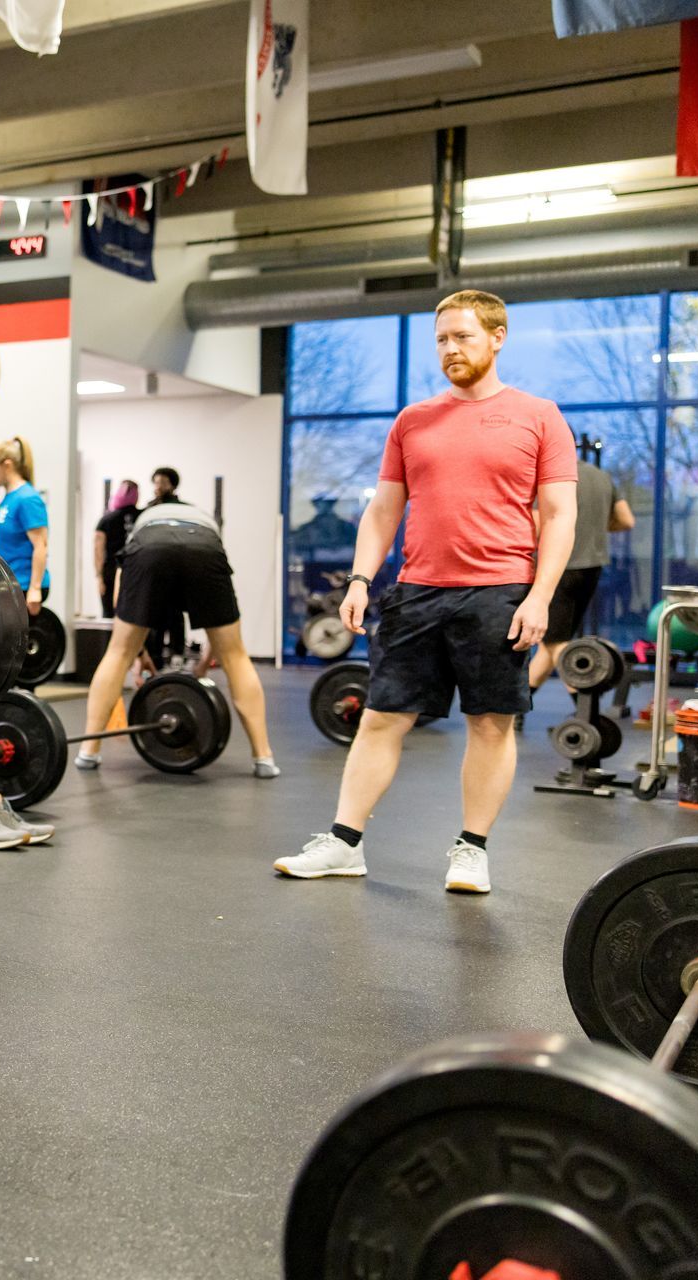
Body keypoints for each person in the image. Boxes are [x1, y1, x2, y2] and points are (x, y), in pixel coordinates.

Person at [275, 290, 577, 894]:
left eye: (462, 336)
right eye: (441, 339)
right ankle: (343, 843)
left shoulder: (538, 415)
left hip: (500, 591)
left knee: (490, 723)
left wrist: (541, 594)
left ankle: (472, 850)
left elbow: (560, 513)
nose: (450, 349)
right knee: (381, 717)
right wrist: (361, 578)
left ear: (496, 337)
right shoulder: (413, 420)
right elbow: (384, 510)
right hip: (417, 591)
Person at [75, 494, 279, 777]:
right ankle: (263, 757)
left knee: (117, 652)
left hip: (148, 549)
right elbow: (221, 635)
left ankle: (89, 752)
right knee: (235, 656)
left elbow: (122, 599)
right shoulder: (203, 522)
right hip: (204, 549)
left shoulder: (144, 525)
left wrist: (136, 650)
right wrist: (205, 663)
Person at [525, 450, 633, 702]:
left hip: (559, 568)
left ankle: (584, 708)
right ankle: (519, 710)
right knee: (552, 642)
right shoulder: (601, 476)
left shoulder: (550, 476)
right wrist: (593, 527)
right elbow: (625, 521)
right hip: (592, 569)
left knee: (556, 645)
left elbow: (537, 524)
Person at [0, 437, 49, 618]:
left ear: (7, 465)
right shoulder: (10, 498)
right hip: (12, 584)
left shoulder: (27, 498)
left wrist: (35, 589)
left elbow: (41, 545)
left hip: (27, 587)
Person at [141, 467, 188, 667]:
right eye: (156, 482)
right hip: (155, 568)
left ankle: (177, 652)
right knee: (155, 614)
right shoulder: (149, 509)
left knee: (175, 613)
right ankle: (156, 656)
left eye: (163, 482)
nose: (158, 486)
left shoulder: (181, 508)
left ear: (172, 485)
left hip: (176, 568)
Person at [93, 479, 140, 618]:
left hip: (111, 571)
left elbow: (98, 550)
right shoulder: (142, 517)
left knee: (109, 614)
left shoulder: (106, 520)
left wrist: (99, 577)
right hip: (136, 571)